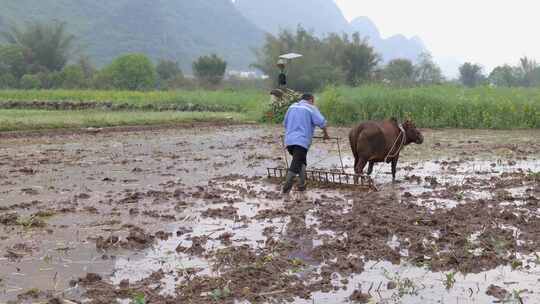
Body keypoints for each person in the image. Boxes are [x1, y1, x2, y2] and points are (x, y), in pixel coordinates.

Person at [282, 93, 330, 194]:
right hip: (301, 141)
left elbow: (285, 123)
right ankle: (286, 188)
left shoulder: (292, 106)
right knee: (295, 164)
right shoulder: (311, 108)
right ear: (311, 100)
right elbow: (322, 123)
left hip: (289, 141)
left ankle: (302, 186)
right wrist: (325, 134)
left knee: (301, 161)